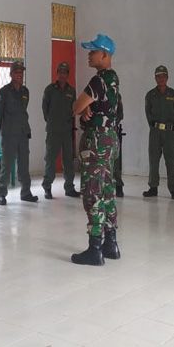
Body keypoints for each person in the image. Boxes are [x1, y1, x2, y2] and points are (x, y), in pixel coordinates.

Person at [70, 33, 121, 266]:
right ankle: (111, 243)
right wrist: (87, 111)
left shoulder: (98, 80)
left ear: (105, 55)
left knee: (93, 191)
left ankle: (95, 248)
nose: (89, 55)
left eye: (93, 51)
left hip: (97, 142)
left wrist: (82, 109)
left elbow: (76, 106)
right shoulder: (114, 80)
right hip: (110, 139)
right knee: (107, 189)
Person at [0, 61, 37, 205]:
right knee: (7, 165)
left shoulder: (25, 91)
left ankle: (26, 192)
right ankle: (1, 193)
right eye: (17, 72)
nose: (19, 75)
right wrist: (4, 130)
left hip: (23, 132)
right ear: (11, 74)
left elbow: (23, 111)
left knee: (24, 164)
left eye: (21, 72)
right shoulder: (4, 92)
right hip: (9, 133)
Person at [41, 61, 79, 199]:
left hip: (67, 131)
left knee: (68, 160)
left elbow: (74, 109)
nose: (62, 75)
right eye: (60, 72)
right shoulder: (50, 90)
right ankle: (47, 187)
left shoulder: (71, 91)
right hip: (53, 130)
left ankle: (69, 188)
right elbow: (45, 109)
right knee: (50, 160)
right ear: (57, 73)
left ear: (68, 74)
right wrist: (52, 122)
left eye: (65, 72)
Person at [142, 65, 174, 199]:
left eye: (163, 76)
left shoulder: (173, 95)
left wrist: (172, 128)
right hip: (155, 131)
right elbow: (148, 112)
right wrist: (153, 126)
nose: (161, 79)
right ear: (155, 78)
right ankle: (153, 188)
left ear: (167, 77)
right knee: (153, 160)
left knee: (171, 161)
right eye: (158, 76)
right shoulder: (150, 95)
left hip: (169, 132)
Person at [114, 99, 124, 197]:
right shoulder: (95, 92)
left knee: (116, 161)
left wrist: (111, 123)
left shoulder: (116, 95)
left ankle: (118, 185)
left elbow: (120, 114)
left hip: (112, 130)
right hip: (97, 131)